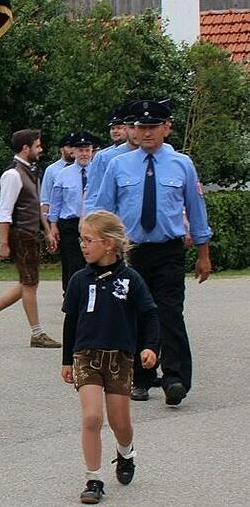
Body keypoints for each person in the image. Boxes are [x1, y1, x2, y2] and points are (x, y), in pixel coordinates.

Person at [93, 99, 212, 405]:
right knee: (134, 314)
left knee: (169, 312)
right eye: (140, 127)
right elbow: (104, 209)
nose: (146, 133)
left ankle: (175, 378)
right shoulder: (118, 165)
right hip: (131, 252)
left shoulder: (182, 164)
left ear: (166, 128)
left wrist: (203, 253)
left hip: (168, 250)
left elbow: (196, 211)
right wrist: (100, 248)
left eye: (152, 127)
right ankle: (141, 377)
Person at [61, 211, 159, 504]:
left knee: (120, 423)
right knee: (92, 417)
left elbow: (149, 314)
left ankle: (126, 452)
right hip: (86, 356)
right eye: (82, 239)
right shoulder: (79, 280)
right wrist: (67, 360)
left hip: (120, 358)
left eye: (88, 240)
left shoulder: (131, 280)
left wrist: (150, 346)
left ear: (108, 244)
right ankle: (94, 478)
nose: (82, 245)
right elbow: (70, 322)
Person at [0, 129, 62, 349]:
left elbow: (37, 205)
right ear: (25, 148)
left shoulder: (31, 171)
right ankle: (37, 333)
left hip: (31, 233)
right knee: (30, 283)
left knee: (28, 282)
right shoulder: (12, 174)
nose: (40, 150)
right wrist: (3, 243)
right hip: (21, 234)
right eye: (38, 146)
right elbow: (4, 211)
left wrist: (47, 230)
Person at [49, 133, 95, 295]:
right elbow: (56, 202)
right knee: (71, 261)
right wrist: (53, 225)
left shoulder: (98, 173)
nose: (84, 154)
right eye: (80, 150)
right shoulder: (63, 174)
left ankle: (90, 292)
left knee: (91, 259)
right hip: (69, 223)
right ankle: (70, 293)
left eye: (87, 150)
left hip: (92, 223)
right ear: (74, 152)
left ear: (92, 152)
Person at [40, 133, 74, 254]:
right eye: (69, 146)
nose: (73, 150)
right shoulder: (52, 170)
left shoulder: (85, 168)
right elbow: (45, 200)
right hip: (61, 222)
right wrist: (48, 230)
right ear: (61, 149)